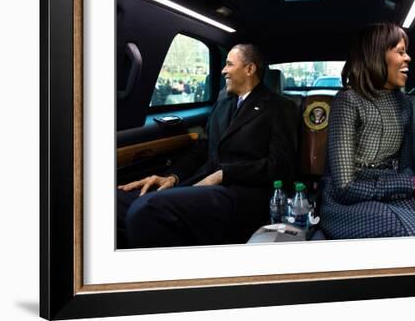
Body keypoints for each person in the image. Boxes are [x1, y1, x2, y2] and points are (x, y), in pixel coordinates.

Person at [117, 43, 297, 248]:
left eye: (229, 64)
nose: (223, 70)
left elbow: (281, 166)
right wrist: (173, 177)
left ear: (249, 69)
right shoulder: (223, 104)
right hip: (204, 183)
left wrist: (224, 174)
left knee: (146, 209)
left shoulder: (280, 107)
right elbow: (200, 150)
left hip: (242, 193)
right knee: (117, 202)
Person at [320, 23, 415, 239]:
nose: (408, 58)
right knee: (397, 228)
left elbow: (405, 166)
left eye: (406, 51)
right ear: (376, 56)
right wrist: (411, 184)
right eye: (400, 51)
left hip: (394, 193)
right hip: (349, 201)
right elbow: (345, 188)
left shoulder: (404, 103)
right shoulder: (347, 101)